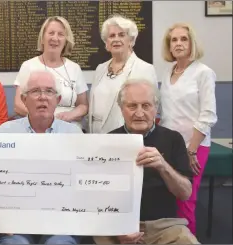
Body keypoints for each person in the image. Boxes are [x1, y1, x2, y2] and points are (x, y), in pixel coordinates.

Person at [94, 79, 198, 244]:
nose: (139, 113)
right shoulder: (108, 141)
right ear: (121, 109)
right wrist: (117, 229)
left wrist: (163, 167)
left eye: (146, 105)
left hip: (165, 227)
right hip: (118, 225)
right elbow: (97, 197)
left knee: (186, 240)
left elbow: (185, 193)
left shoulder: (173, 139)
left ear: (156, 108)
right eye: (132, 106)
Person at [0, 70, 82, 244]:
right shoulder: (4, 133)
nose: (43, 97)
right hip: (16, 222)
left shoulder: (74, 134)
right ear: (24, 100)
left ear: (57, 100)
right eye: (35, 91)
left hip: (61, 221)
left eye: (49, 91)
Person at [159, 22, 218, 235]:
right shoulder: (167, 72)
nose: (178, 43)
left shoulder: (204, 73)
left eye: (183, 39)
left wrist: (191, 149)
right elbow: (166, 113)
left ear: (191, 42)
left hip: (194, 146)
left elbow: (208, 115)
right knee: (168, 199)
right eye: (174, 40)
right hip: (170, 145)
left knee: (186, 200)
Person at [13, 16, 88, 130]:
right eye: (51, 33)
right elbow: (18, 105)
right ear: (42, 38)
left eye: (60, 34)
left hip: (69, 130)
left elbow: (83, 105)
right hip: (37, 130)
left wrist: (70, 115)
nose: (55, 38)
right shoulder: (28, 66)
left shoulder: (74, 68)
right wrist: (45, 119)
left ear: (66, 40)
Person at [88, 15, 158, 134]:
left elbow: (151, 109)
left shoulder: (145, 69)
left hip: (126, 133)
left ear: (130, 40)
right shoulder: (100, 68)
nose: (116, 39)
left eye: (121, 35)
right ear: (106, 43)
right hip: (95, 133)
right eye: (111, 36)